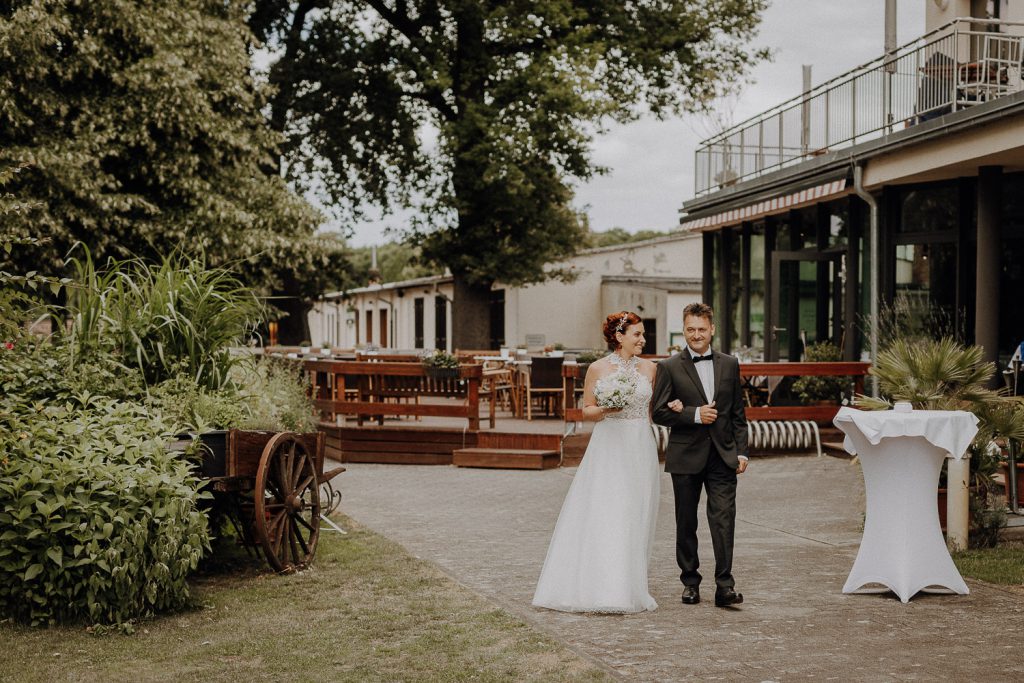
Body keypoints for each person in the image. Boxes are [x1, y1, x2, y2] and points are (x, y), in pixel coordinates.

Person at [532, 311, 678, 613]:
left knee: (636, 511)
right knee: (610, 510)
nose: (643, 339)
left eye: (643, 334)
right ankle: (605, 588)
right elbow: (586, 410)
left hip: (640, 444)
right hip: (609, 446)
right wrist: (606, 409)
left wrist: (675, 405)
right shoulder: (598, 369)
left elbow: (659, 407)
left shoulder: (651, 369)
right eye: (637, 334)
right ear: (619, 336)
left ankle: (630, 586)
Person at [652, 302, 748, 608]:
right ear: (684, 330)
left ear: (712, 330)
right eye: (691, 329)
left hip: (723, 455)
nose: (696, 335)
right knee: (686, 522)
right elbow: (657, 412)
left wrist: (743, 451)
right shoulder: (668, 367)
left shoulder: (730, 364)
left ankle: (725, 586)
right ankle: (690, 582)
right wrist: (693, 415)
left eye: (702, 329)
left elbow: (738, 414)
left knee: (723, 519)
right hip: (685, 456)